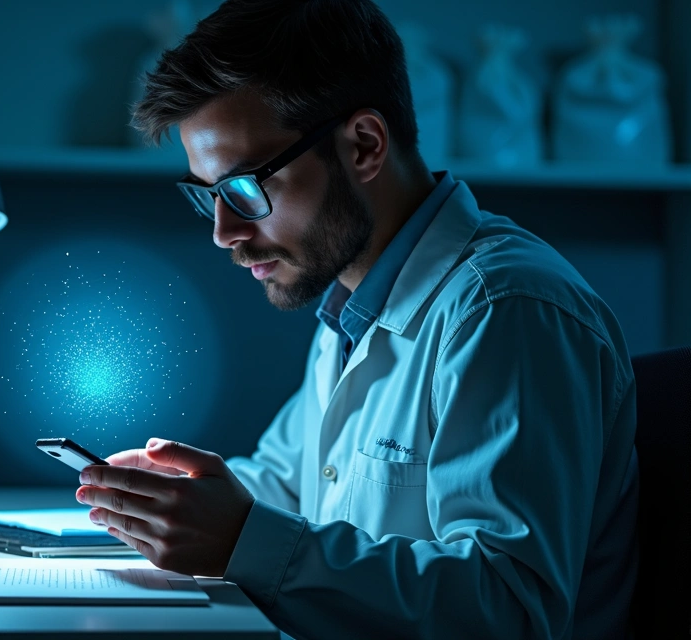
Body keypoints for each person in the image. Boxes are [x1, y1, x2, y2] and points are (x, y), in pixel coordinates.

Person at [73, 1, 639, 638]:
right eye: (208, 195)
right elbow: (289, 487)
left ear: (364, 145)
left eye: (242, 189)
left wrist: (241, 537)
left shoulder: (506, 310)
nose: (223, 232)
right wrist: (169, 497)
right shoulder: (353, 304)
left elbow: (510, 608)